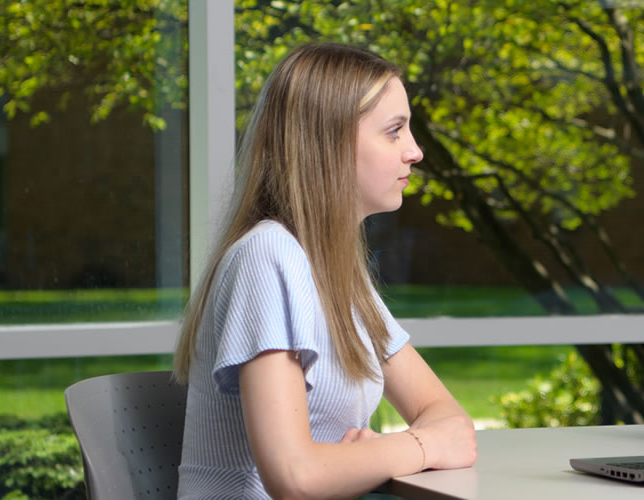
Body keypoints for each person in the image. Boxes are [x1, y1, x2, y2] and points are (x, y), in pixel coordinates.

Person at [172, 43, 478, 499]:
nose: (414, 151)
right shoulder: (267, 256)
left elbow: (449, 418)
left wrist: (375, 455)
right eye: (394, 131)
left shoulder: (337, 274)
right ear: (327, 143)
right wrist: (414, 447)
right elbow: (296, 477)